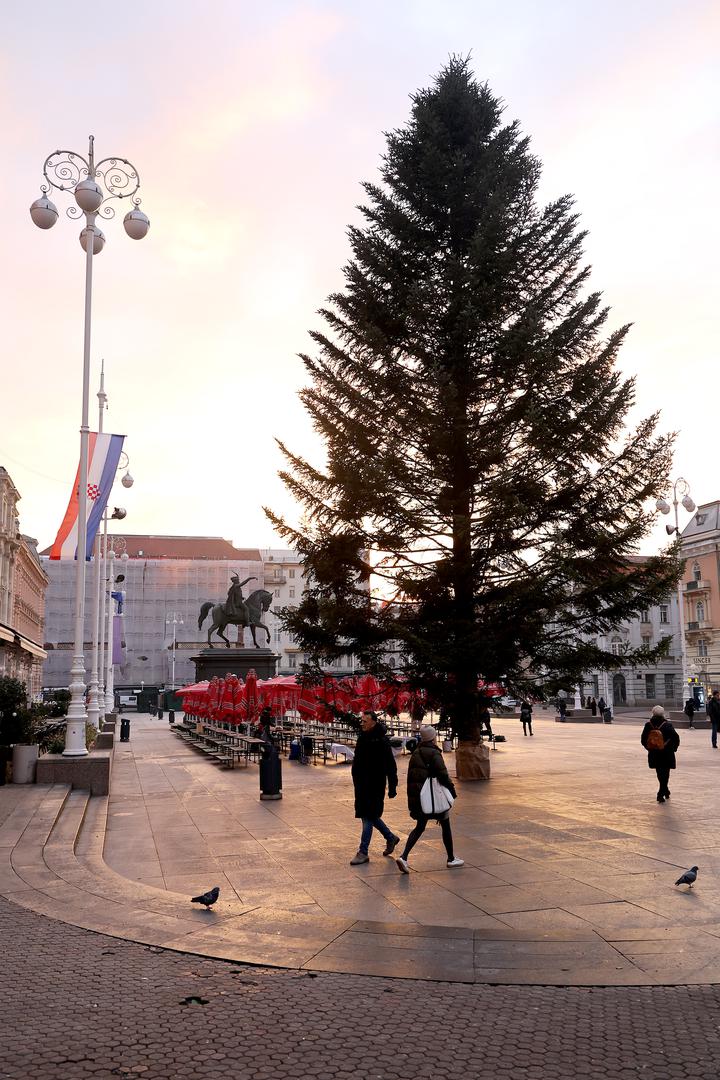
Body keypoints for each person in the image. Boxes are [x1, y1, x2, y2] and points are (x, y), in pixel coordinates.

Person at [396, 725, 463, 873]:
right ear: (432, 738)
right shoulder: (434, 753)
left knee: (420, 827)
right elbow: (443, 775)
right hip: (434, 798)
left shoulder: (416, 753)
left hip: (421, 798)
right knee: (445, 825)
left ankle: (404, 856)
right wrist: (452, 790)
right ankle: (451, 858)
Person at [349, 710, 399, 865]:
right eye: (361, 721)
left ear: (373, 722)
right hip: (361, 784)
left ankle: (363, 852)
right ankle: (390, 838)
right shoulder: (362, 738)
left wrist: (392, 786)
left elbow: (391, 765)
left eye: (365, 721)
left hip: (375, 785)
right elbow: (357, 761)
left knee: (367, 816)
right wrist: (355, 776)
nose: (362, 723)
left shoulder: (381, 741)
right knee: (369, 815)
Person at [641, 704, 680, 803]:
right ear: (663, 714)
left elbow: (643, 739)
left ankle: (665, 790)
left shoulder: (648, 725)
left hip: (654, 753)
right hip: (666, 753)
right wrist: (674, 748)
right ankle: (660, 793)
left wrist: (650, 748)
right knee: (665, 773)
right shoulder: (667, 725)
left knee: (659, 773)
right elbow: (676, 738)